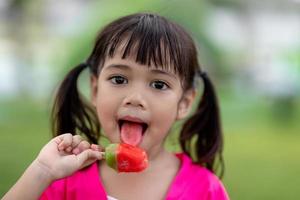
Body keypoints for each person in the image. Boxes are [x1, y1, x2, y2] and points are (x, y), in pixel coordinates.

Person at [3, 13, 229, 200]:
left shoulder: (206, 190)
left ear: (184, 103)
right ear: (94, 89)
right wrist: (42, 171)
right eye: (119, 79)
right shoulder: (63, 182)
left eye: (158, 84)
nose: (135, 98)